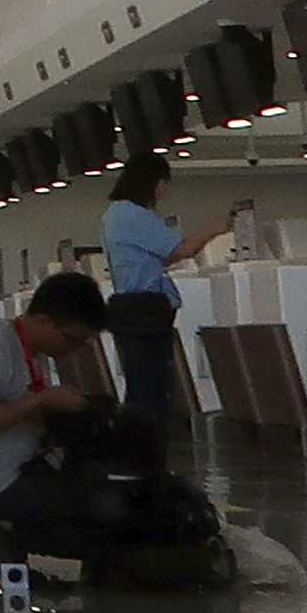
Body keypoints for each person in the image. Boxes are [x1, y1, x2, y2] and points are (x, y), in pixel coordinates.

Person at [0, 271, 207, 563]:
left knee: (147, 500)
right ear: (44, 321)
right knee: (116, 520)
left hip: (34, 465)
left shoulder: (30, 351)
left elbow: (28, 419)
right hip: (1, 483)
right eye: (74, 340)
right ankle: (11, 530)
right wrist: (41, 400)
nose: (75, 350)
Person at [96, 151, 187, 423]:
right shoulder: (132, 214)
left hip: (129, 309)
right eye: (164, 184)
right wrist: (215, 229)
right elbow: (181, 249)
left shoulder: (115, 214)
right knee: (153, 389)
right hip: (145, 309)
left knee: (140, 385)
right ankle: (148, 454)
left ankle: (137, 454)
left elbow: (165, 255)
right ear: (155, 182)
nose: (164, 192)